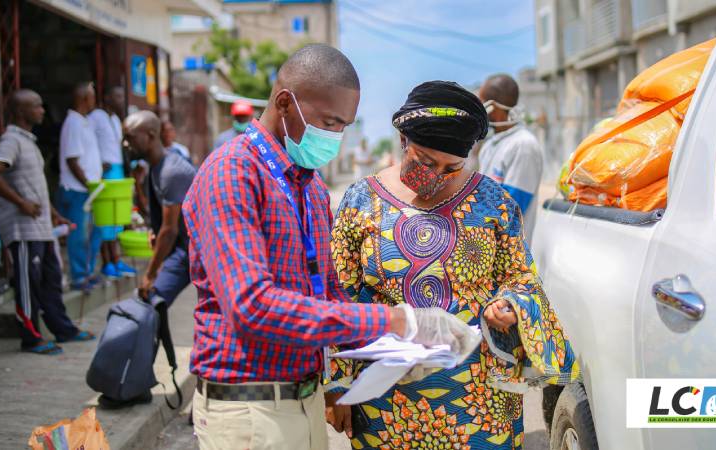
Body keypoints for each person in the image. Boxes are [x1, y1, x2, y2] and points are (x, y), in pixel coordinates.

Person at [182, 44, 475, 450]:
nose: (335, 137)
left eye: (344, 127)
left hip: (303, 398)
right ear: (285, 103)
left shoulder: (310, 187)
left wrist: (401, 348)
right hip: (249, 408)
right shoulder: (232, 173)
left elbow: (330, 293)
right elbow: (252, 306)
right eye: (329, 122)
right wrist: (393, 322)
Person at [326, 81, 579, 449]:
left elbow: (522, 277)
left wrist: (510, 305)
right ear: (402, 140)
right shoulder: (360, 200)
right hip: (384, 400)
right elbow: (338, 294)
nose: (437, 176)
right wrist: (336, 386)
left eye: (452, 168)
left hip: (478, 403)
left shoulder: (494, 202)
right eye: (425, 162)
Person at [0, 89, 95, 355]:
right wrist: (21, 203)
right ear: (21, 112)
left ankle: (62, 329)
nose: (43, 110)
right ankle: (31, 338)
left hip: (41, 228)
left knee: (51, 281)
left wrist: (53, 213)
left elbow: (35, 187)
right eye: (37, 106)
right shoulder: (11, 140)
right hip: (23, 230)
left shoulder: (28, 141)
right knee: (27, 284)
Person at [122, 111, 196, 310]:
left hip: (193, 249)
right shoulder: (154, 168)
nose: (125, 144)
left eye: (130, 137)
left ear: (151, 135)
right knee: (150, 302)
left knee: (151, 299)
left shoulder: (171, 171)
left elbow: (169, 231)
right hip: (181, 247)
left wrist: (150, 274)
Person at [478, 74, 544, 241]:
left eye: (482, 104)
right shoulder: (490, 146)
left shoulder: (523, 145)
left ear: (492, 107)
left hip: (511, 260)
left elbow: (510, 211)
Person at [57, 82, 103, 291]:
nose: (95, 100)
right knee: (78, 235)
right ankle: (78, 276)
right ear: (84, 98)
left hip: (87, 190)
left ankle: (86, 272)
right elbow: (72, 160)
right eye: (92, 96)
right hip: (77, 190)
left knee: (93, 233)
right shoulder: (74, 122)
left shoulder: (84, 122)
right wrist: (88, 183)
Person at [88, 86, 137, 279]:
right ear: (106, 97)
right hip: (105, 172)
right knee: (105, 219)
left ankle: (117, 260)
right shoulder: (96, 117)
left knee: (117, 217)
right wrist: (98, 164)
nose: (120, 100)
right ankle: (106, 262)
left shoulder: (116, 119)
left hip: (118, 170)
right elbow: (89, 143)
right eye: (116, 96)